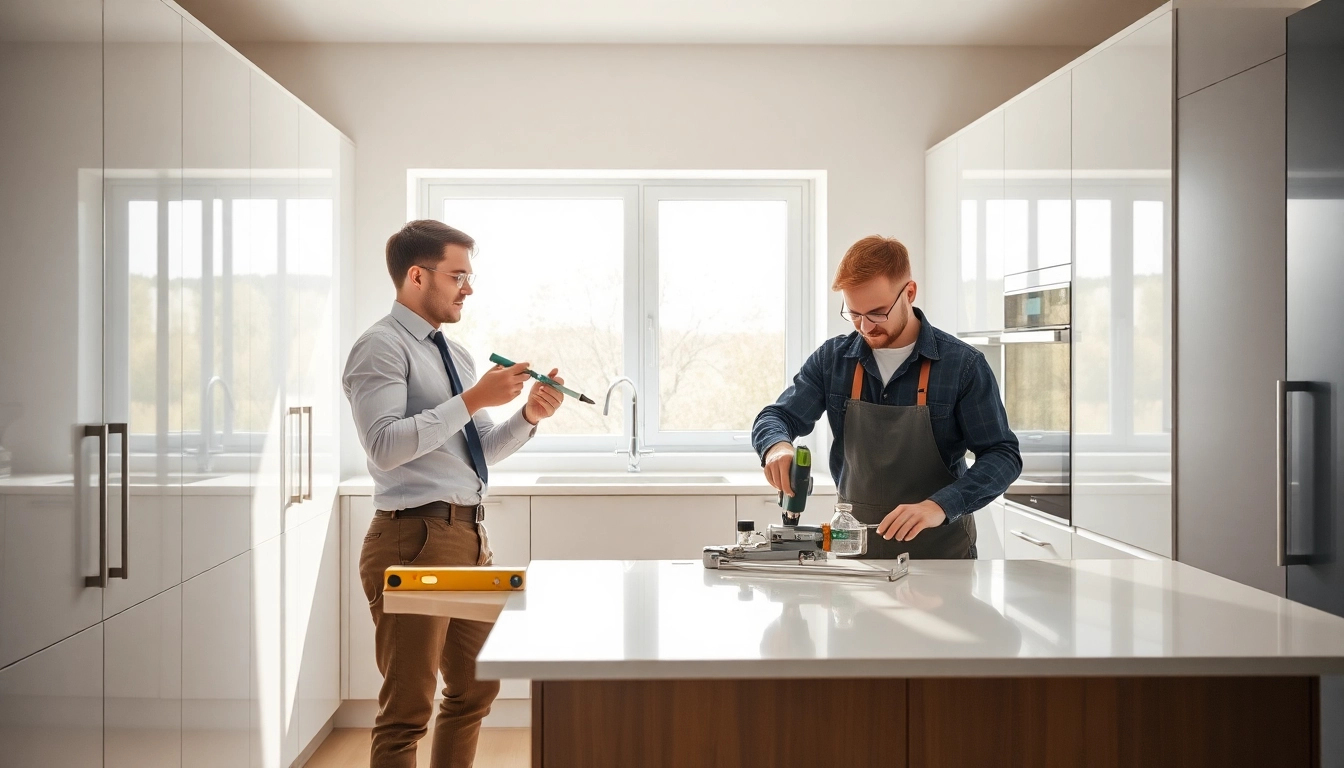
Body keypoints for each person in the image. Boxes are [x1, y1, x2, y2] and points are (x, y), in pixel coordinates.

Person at [343, 219, 566, 767]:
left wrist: (527, 415)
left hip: (467, 537)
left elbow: (477, 450)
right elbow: (383, 446)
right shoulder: (380, 347)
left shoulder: (456, 354)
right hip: (413, 539)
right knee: (406, 711)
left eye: (470, 276)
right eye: (458, 275)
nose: (469, 288)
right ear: (417, 276)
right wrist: (471, 400)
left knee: (474, 689)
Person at [752, 235, 1020, 559]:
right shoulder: (833, 360)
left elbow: (1002, 455)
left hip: (942, 559)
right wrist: (776, 447)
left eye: (877, 313)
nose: (865, 327)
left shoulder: (962, 366)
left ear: (909, 292)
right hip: (856, 558)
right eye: (854, 313)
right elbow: (777, 416)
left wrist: (940, 505)